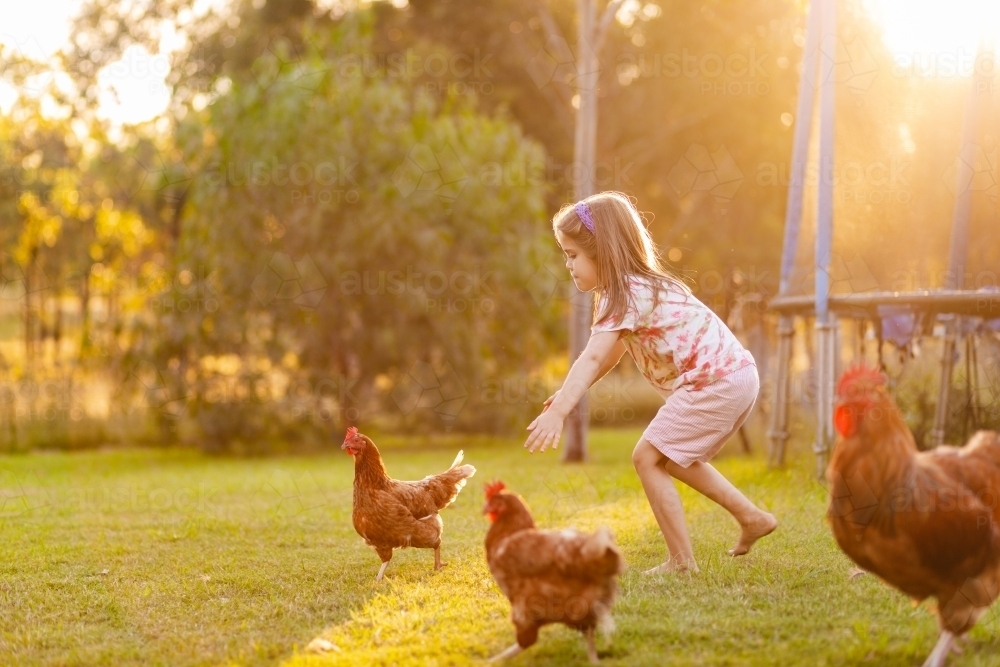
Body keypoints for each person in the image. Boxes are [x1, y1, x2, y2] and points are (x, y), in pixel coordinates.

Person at [524, 191, 777, 574]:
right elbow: (608, 355)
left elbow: (592, 355)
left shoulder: (626, 294)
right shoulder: (639, 289)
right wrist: (568, 393)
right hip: (735, 375)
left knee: (646, 456)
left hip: (714, 380)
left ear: (603, 251)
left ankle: (681, 562)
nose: (569, 265)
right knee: (668, 458)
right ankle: (751, 517)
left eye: (574, 255)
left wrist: (559, 412)